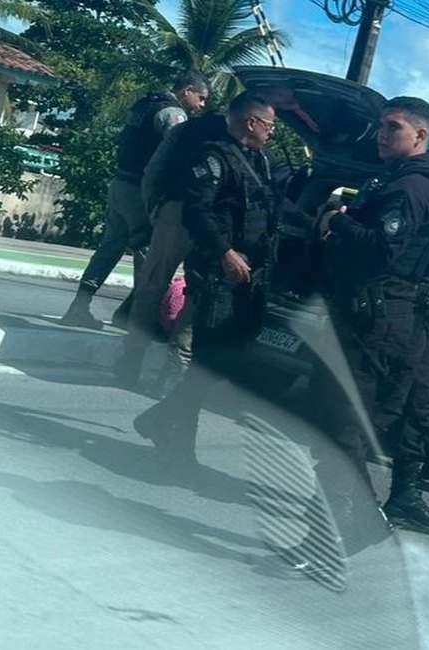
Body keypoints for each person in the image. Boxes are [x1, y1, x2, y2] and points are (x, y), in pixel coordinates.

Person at [317, 100, 429, 536]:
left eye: (390, 127)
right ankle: (351, 511)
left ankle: (398, 498)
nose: (380, 134)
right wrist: (338, 223)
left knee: (413, 408)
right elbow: (387, 245)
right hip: (389, 309)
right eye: (382, 126)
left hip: (409, 311)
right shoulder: (414, 182)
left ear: (419, 135)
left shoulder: (418, 183)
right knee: (357, 415)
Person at [131, 91, 279, 466]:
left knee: (222, 359)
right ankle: (176, 441)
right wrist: (223, 252)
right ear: (251, 122)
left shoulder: (259, 160)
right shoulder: (213, 156)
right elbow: (197, 212)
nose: (273, 132)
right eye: (270, 125)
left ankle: (163, 421)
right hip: (217, 272)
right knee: (209, 358)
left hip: (246, 275)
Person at [60, 72, 209, 330]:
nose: (202, 105)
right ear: (187, 90)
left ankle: (79, 306)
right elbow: (179, 153)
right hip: (140, 192)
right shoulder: (174, 115)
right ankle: (137, 318)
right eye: (201, 97)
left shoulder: (145, 104)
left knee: (109, 248)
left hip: (120, 184)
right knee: (149, 253)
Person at [112, 109, 231, 392]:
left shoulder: (186, 130)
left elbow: (153, 172)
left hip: (175, 211)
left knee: (152, 285)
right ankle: (173, 370)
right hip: (216, 223)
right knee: (198, 292)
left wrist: (156, 209)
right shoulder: (244, 143)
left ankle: (131, 360)